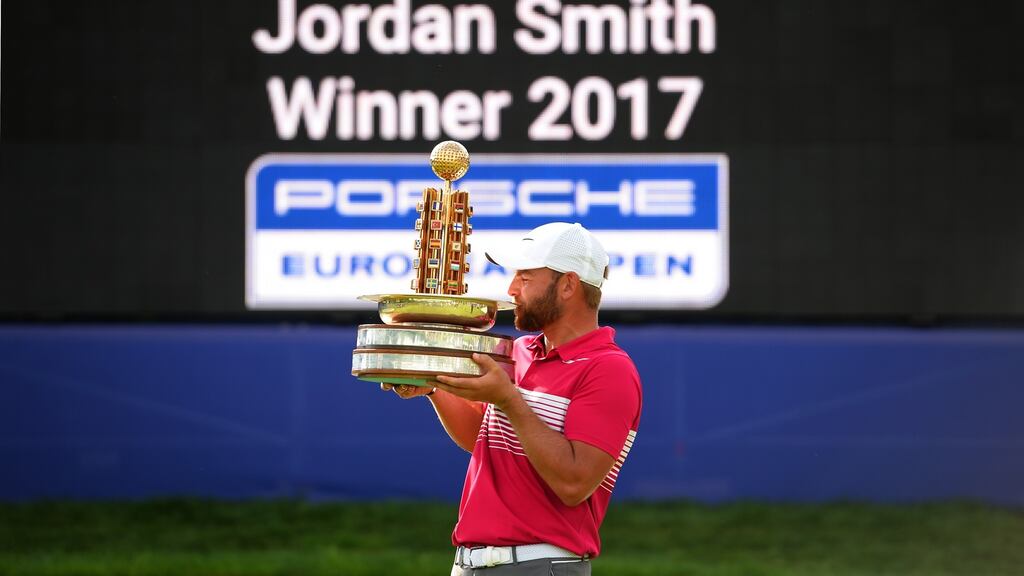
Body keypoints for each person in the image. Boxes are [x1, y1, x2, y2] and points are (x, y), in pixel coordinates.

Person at [382, 222, 642, 575]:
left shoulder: (609, 369)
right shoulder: (519, 351)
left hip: (540, 564)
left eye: (525, 277)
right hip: (470, 563)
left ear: (568, 285)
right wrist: (434, 389)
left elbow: (574, 483)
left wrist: (508, 400)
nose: (511, 289)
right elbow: (484, 437)